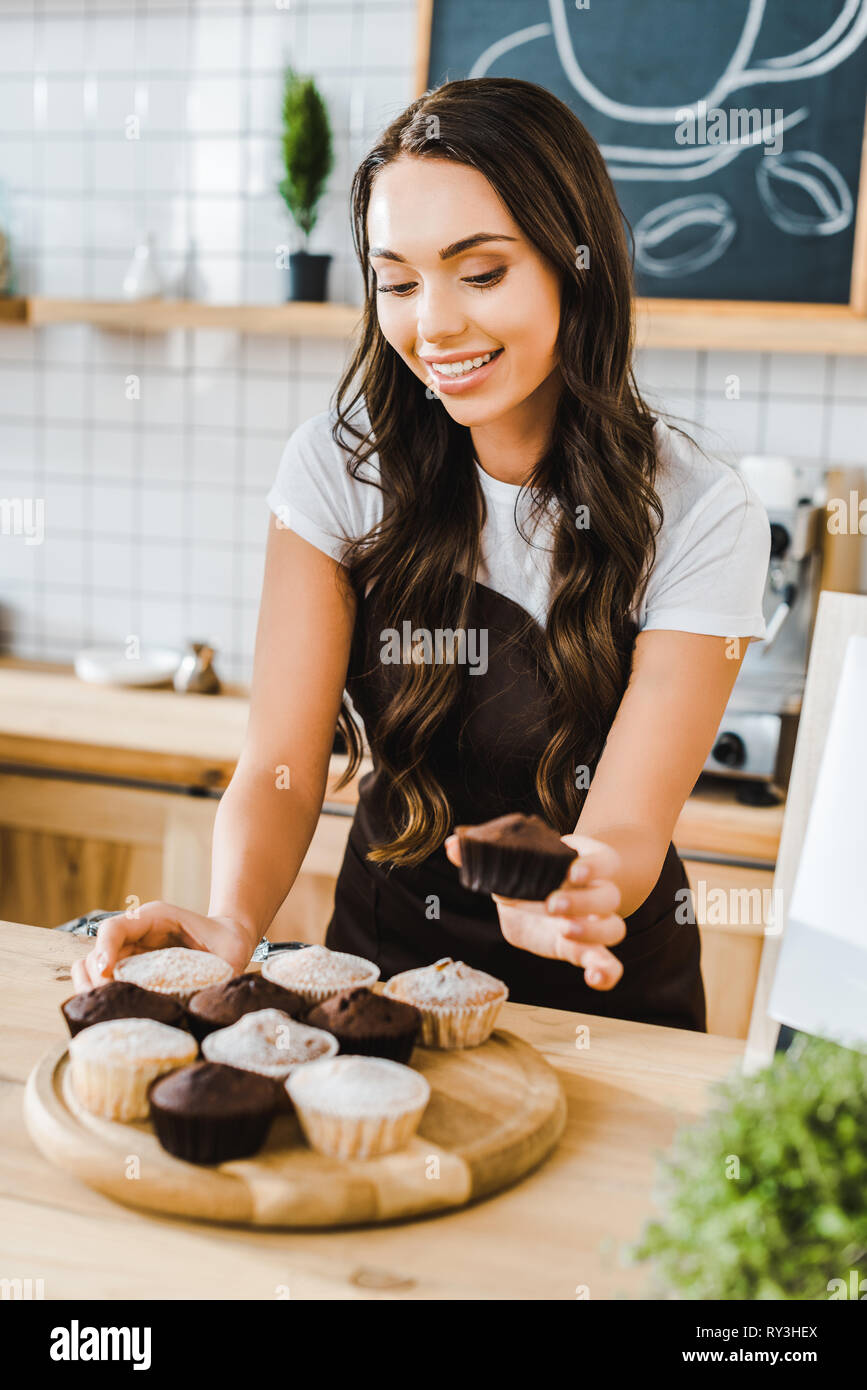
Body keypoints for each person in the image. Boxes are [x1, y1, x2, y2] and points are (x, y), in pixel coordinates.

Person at [73, 79, 769, 1032]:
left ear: (578, 266)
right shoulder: (337, 468)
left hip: (605, 1013)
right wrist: (234, 919)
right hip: (375, 988)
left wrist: (575, 888)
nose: (431, 325)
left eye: (479, 273)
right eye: (397, 282)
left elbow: (627, 827)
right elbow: (281, 759)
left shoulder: (695, 508)